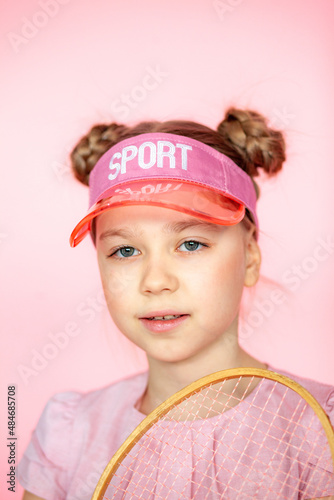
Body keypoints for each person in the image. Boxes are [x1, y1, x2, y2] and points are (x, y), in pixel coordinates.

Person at [18, 108, 334, 499]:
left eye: (190, 244)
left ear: (250, 257)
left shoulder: (318, 428)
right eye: (125, 250)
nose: (155, 281)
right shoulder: (69, 432)